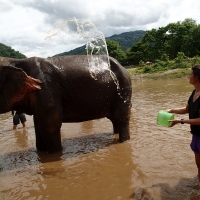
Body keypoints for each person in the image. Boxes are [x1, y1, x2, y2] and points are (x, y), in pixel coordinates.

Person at [167, 64, 200, 185]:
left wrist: (180, 121)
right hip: (196, 135)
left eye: (190, 74)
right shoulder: (194, 93)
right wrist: (171, 110)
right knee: (198, 164)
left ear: (196, 77)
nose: (188, 76)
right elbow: (186, 109)